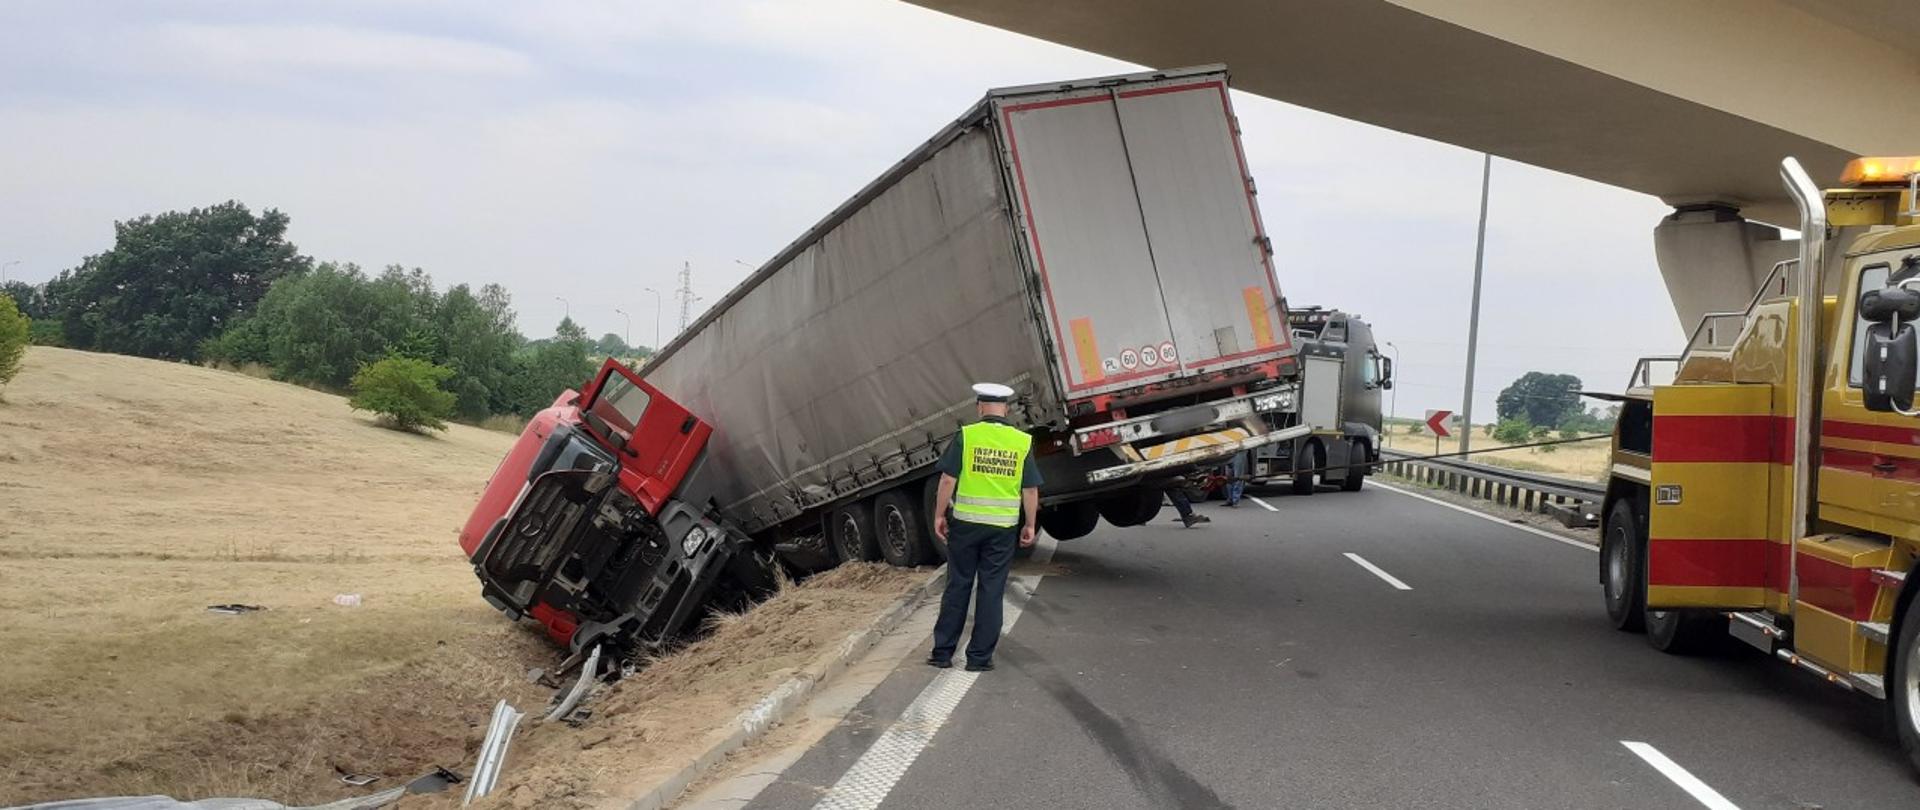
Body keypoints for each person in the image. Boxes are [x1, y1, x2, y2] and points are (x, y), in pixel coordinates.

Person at [929, 382, 1041, 673]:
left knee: (958, 585)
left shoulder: (966, 435)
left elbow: (947, 481)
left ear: (980, 407)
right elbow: (1030, 490)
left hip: (965, 525)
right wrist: (1029, 524)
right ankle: (978, 659)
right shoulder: (1021, 441)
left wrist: (939, 514)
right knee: (991, 590)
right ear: (1005, 408)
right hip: (1002, 529)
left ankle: (942, 654)